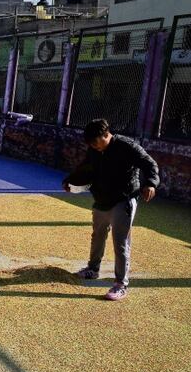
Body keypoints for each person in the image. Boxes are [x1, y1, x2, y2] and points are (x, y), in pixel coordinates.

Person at [63, 118, 159, 301]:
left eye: (97, 143)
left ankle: (120, 284)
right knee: (97, 235)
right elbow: (86, 166)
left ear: (106, 135)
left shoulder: (126, 146)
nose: (95, 147)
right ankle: (92, 269)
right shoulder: (94, 148)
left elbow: (149, 163)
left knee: (120, 243)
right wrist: (71, 180)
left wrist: (151, 183)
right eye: (91, 144)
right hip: (101, 199)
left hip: (123, 199)